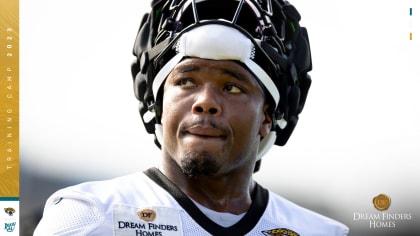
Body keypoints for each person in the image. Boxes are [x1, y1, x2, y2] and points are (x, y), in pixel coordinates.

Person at [34, 0, 349, 235]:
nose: (205, 102)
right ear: (159, 102)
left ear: (267, 116)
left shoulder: (319, 232)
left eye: (232, 87)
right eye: (186, 81)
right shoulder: (89, 215)